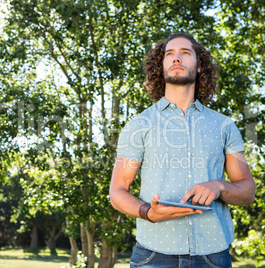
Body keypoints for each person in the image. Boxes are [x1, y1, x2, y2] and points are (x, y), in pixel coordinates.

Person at [109, 33, 256, 267]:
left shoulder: (224, 126)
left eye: (185, 53)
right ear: (162, 66)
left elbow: (247, 191)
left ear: (199, 67)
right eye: (170, 54)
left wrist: (219, 186)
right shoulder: (139, 125)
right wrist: (147, 211)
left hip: (213, 256)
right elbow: (117, 191)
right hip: (153, 256)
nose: (176, 58)